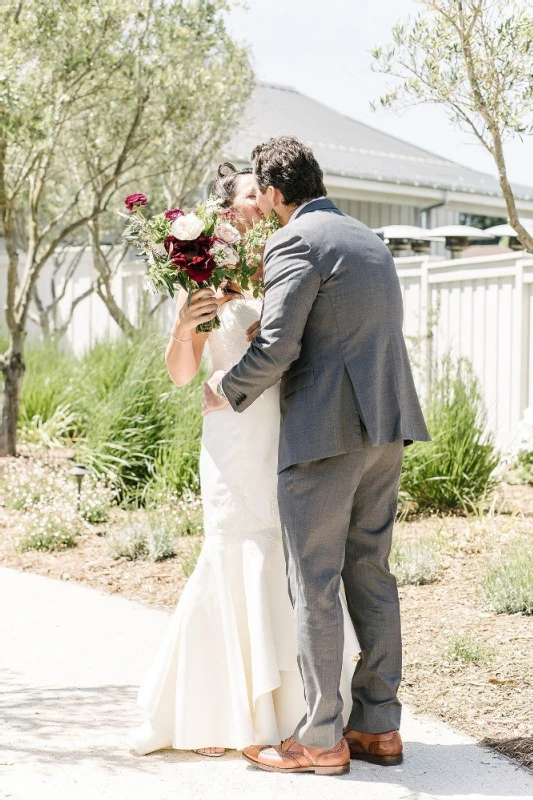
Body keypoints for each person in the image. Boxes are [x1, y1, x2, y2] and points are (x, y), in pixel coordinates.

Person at [208, 137, 430, 776]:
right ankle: (379, 729)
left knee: (314, 584)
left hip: (325, 437)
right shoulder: (367, 238)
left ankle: (320, 737)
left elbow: (278, 349)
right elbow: (342, 325)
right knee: (371, 575)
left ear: (275, 192)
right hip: (385, 432)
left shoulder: (295, 240)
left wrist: (227, 387)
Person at [129, 163, 360, 759]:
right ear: (227, 210)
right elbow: (183, 375)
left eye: (267, 191)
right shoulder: (202, 275)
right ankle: (229, 710)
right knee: (235, 549)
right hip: (231, 435)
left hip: (285, 428)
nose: (266, 198)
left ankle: (304, 711)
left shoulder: (285, 261)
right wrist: (185, 326)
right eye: (253, 192)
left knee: (288, 549)